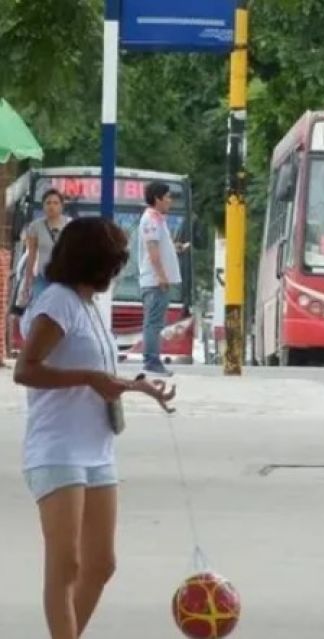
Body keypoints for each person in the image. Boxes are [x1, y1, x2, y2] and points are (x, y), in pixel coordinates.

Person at [13, 216, 176, 639]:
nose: (116, 272)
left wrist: (136, 386)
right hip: (57, 450)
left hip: (97, 449)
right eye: (113, 263)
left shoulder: (88, 305)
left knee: (101, 564)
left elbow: (97, 372)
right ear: (92, 262)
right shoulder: (59, 303)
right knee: (66, 565)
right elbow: (26, 371)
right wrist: (88, 379)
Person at [138, 182, 187, 377]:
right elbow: (152, 251)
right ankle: (151, 360)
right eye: (167, 196)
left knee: (155, 322)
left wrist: (175, 249)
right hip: (155, 281)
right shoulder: (151, 220)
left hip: (156, 278)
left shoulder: (158, 219)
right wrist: (161, 276)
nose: (170, 200)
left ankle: (152, 359)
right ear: (157, 198)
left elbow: (159, 249)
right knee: (154, 323)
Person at [17, 188, 71, 308]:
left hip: (65, 278)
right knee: (40, 310)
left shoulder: (70, 226)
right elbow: (31, 255)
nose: (51, 206)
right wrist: (27, 282)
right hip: (43, 277)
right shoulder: (35, 226)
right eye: (48, 203)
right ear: (43, 206)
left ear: (62, 206)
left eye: (55, 203)